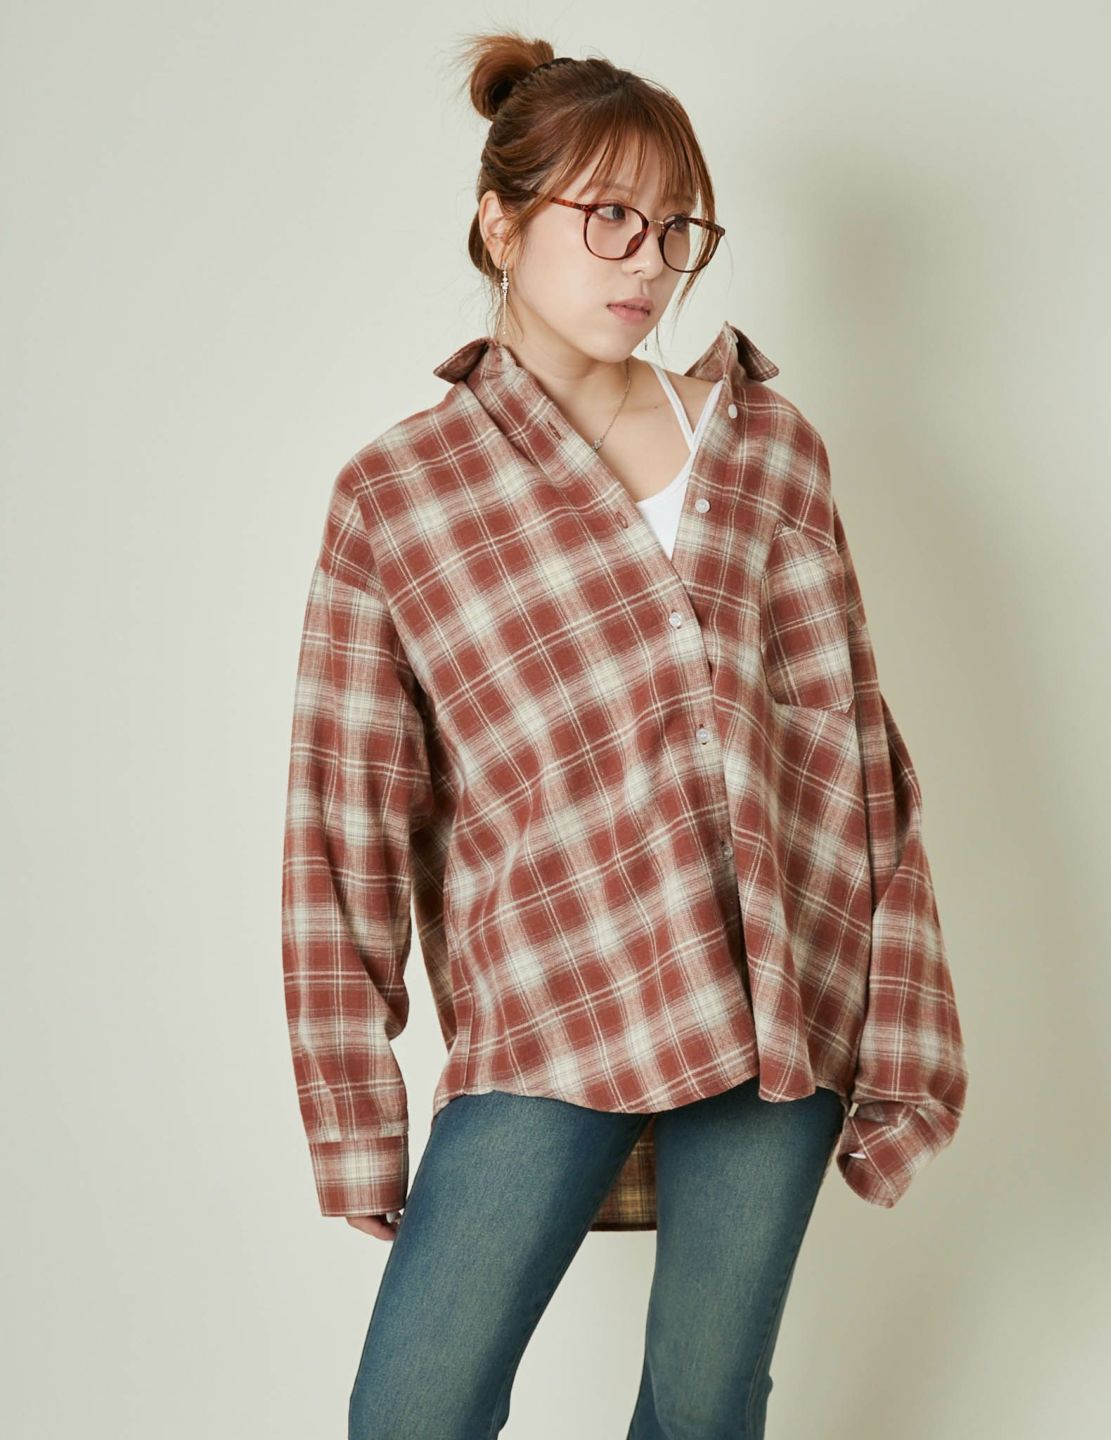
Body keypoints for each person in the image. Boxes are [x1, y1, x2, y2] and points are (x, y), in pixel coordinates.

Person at [279, 30, 969, 1440]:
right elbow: (346, 815)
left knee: (706, 1410)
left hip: (778, 999)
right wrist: (355, 1104)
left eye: (673, 230)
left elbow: (855, 754)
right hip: (554, 996)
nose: (645, 262)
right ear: (500, 223)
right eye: (607, 217)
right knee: (412, 1412)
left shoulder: (767, 450)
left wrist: (899, 1021)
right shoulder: (400, 496)